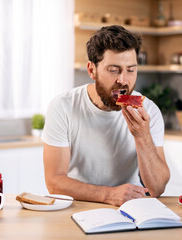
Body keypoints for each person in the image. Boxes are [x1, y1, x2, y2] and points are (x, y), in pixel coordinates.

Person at [41, 25, 170, 206]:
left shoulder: (149, 110)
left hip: (130, 207)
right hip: (79, 204)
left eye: (131, 70)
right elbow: (54, 182)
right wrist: (108, 195)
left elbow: (157, 188)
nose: (123, 80)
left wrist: (142, 136)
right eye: (113, 70)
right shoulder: (63, 106)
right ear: (91, 70)